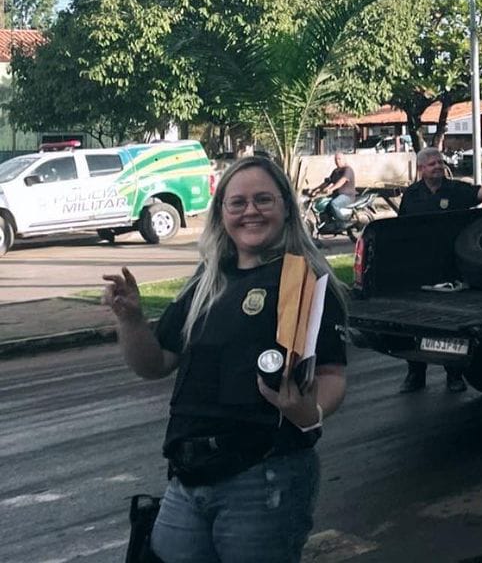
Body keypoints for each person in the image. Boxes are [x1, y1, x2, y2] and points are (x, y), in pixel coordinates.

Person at [103, 156, 347, 563]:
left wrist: (310, 412)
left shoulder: (304, 281)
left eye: (263, 200)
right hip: (187, 475)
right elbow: (155, 363)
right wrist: (130, 320)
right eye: (237, 203)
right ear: (221, 213)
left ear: (286, 208)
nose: (250, 211)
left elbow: (332, 374)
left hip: (264, 476)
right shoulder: (207, 280)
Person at [397, 147, 482, 393]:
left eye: (440, 162)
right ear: (421, 169)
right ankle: (415, 374)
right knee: (415, 322)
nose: (438, 167)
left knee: (450, 325)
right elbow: (401, 228)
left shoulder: (456, 189)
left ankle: (454, 375)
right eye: (432, 164)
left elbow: (481, 193)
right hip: (421, 269)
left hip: (451, 268)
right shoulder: (411, 195)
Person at [313, 151, 357, 222]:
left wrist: (331, 189)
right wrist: (315, 190)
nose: (337, 161)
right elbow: (327, 182)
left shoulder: (348, 170)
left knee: (334, 204)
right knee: (324, 204)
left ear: (344, 159)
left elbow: (342, 181)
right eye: (336, 159)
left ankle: (342, 222)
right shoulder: (335, 171)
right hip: (336, 195)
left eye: (339, 159)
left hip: (347, 196)